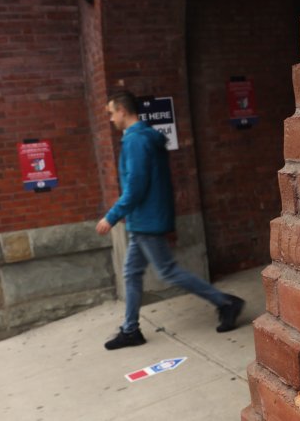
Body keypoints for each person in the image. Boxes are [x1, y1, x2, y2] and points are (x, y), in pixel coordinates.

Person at [96, 90, 244, 350]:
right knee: (131, 273)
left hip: (146, 220)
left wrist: (112, 216)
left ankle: (225, 302)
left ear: (122, 110)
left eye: (111, 113)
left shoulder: (136, 141)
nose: (110, 119)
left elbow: (136, 187)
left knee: (167, 271)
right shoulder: (143, 138)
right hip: (144, 219)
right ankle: (131, 329)